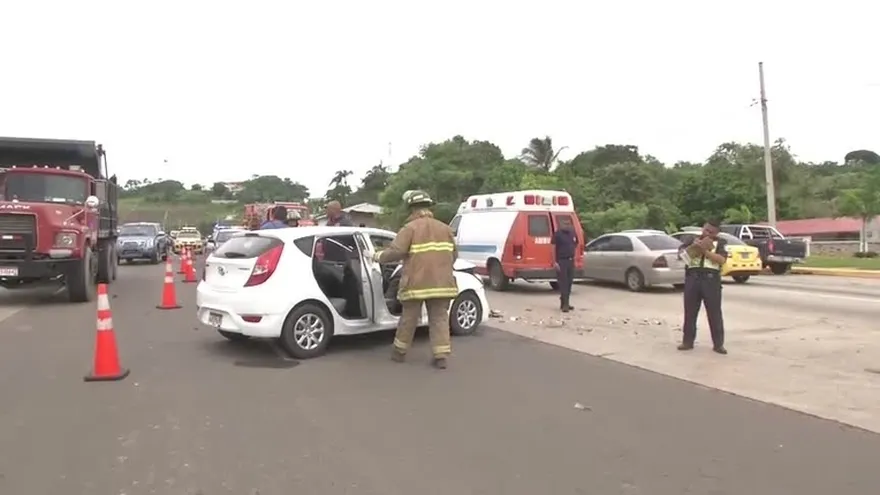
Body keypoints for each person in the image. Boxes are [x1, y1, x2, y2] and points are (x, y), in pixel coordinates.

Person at [372, 190, 457, 369]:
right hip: (442, 284)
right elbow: (454, 255)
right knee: (439, 319)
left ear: (411, 208)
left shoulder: (410, 229)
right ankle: (441, 356)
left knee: (409, 318)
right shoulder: (445, 229)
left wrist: (376, 256)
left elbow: (396, 252)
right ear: (429, 207)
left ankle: (399, 352)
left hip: (416, 284)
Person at [678, 219, 728, 354]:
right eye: (706, 230)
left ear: (716, 233)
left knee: (714, 313)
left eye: (711, 232)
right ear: (703, 228)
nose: (708, 233)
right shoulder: (691, 240)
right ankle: (687, 342)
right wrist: (694, 248)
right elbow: (681, 256)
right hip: (693, 278)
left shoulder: (721, 243)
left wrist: (705, 251)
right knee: (690, 313)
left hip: (711, 280)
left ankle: (718, 344)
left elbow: (722, 260)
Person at [551, 216, 579, 312]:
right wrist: (554, 262)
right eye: (565, 223)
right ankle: (565, 305)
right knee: (563, 283)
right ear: (560, 224)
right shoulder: (557, 234)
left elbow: (575, 244)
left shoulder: (572, 233)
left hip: (570, 260)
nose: (567, 225)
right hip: (561, 261)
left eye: (568, 223)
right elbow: (553, 248)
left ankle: (565, 302)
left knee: (569, 283)